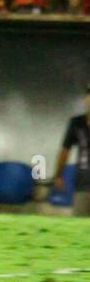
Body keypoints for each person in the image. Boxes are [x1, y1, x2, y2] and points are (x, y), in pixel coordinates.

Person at [54, 86, 90, 216]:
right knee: (80, 226)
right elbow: (65, 151)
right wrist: (58, 175)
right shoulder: (77, 123)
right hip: (83, 184)